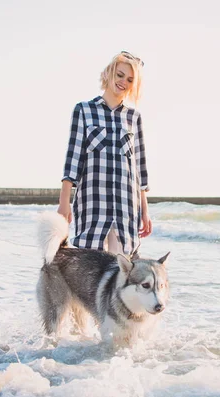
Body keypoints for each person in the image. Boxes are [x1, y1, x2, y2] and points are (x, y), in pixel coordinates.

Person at [57, 51, 152, 256]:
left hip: (126, 206)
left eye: (129, 79)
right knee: (89, 273)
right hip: (93, 203)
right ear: (109, 73)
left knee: (119, 273)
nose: (123, 82)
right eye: (120, 75)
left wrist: (145, 211)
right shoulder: (84, 110)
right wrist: (64, 202)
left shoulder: (133, 117)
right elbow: (73, 158)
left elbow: (139, 168)